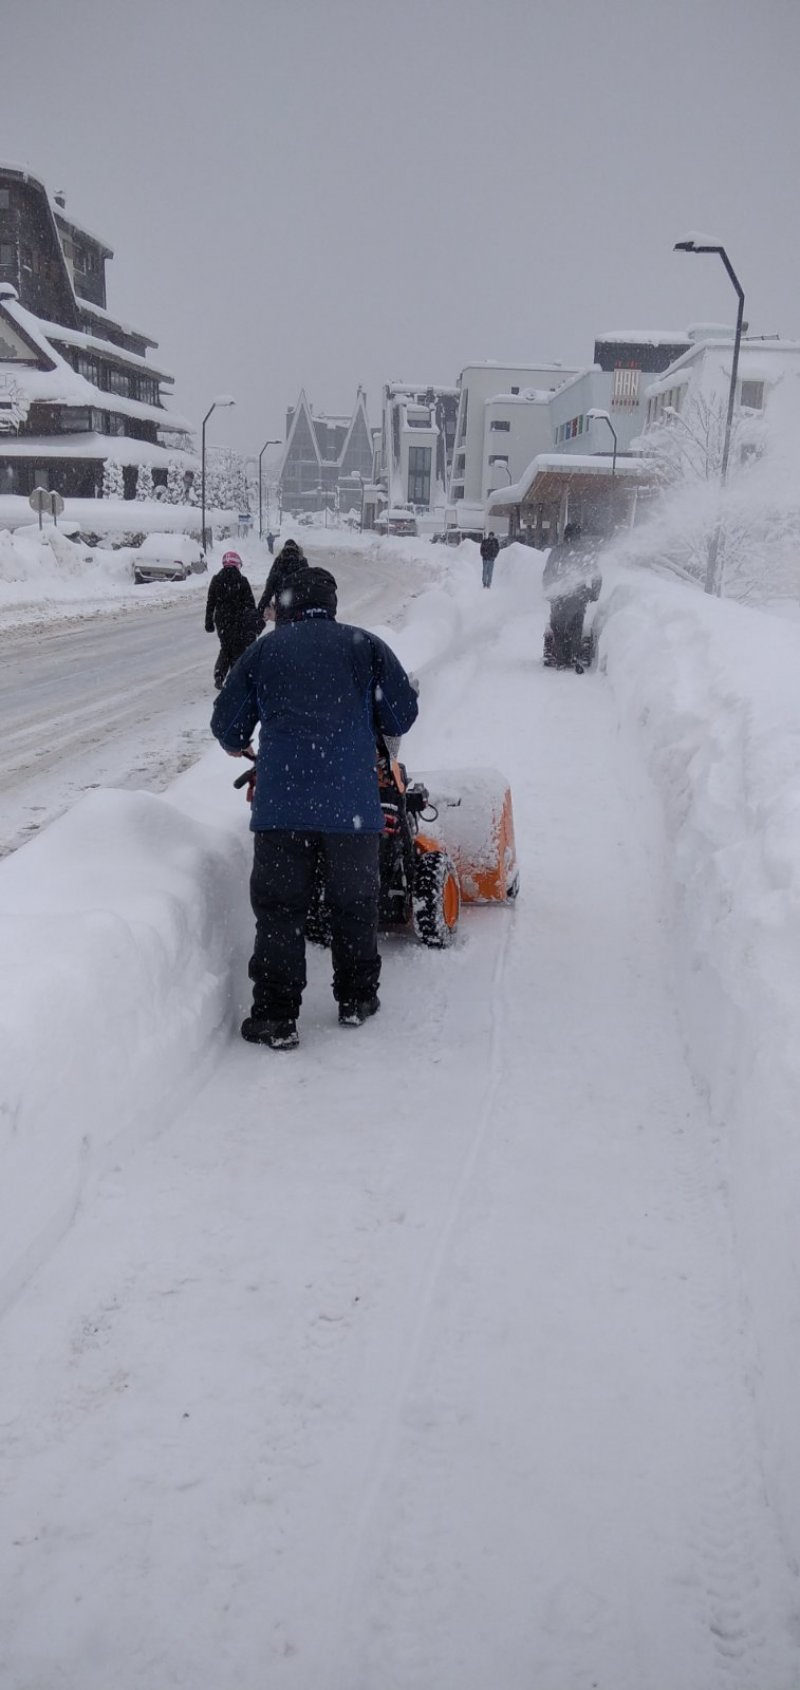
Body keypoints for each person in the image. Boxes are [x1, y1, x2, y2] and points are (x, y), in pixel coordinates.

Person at [211, 565, 419, 1050]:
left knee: (281, 911)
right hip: (353, 810)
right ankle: (356, 999)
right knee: (354, 905)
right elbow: (401, 714)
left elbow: (229, 727)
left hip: (281, 811)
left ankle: (276, 1017)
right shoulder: (364, 646)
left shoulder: (264, 651)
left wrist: (244, 742)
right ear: (332, 602)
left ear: (283, 606)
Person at [542, 524, 603, 670]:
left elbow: (548, 573)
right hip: (579, 596)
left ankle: (561, 658)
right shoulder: (585, 552)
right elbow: (596, 575)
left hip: (559, 595)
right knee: (576, 625)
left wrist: (548, 591)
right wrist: (594, 593)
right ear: (579, 535)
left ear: (565, 535)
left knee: (558, 626)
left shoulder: (557, 552)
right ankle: (575, 655)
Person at [204, 550, 260, 689]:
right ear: (237, 564)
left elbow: (210, 603)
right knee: (238, 649)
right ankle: (235, 678)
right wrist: (253, 622)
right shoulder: (242, 581)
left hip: (222, 620)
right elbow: (250, 604)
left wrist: (209, 622)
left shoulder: (216, 580)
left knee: (226, 648)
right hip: (238, 620)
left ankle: (219, 674)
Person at [256, 536, 308, 623]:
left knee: (282, 634)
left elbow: (270, 586)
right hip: (299, 610)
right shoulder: (302, 561)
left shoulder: (279, 561)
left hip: (282, 610)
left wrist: (260, 609)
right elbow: (307, 584)